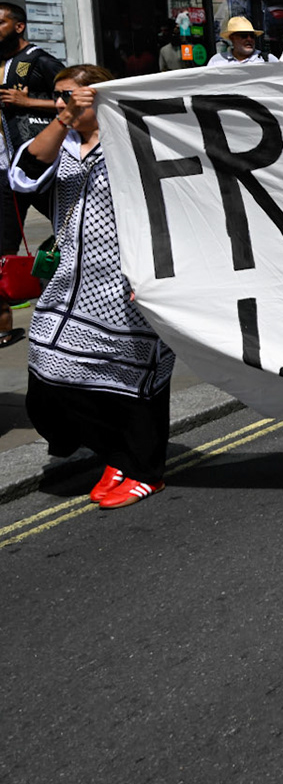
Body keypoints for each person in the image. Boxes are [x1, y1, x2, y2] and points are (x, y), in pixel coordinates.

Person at [12, 66, 176, 509]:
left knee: (134, 383)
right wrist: (63, 118)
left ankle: (142, 469)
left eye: (74, 96)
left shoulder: (134, 141)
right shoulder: (60, 142)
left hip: (129, 284)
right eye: (59, 95)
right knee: (49, 376)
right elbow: (22, 176)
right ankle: (114, 452)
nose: (65, 103)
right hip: (68, 283)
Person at [0, 3, 61, 348]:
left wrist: (30, 104)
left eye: (1, 22)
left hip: (39, 167)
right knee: (1, 250)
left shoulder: (39, 61)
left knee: (71, 233)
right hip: (3, 173)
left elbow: (80, 98)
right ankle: (3, 327)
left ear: (19, 26)